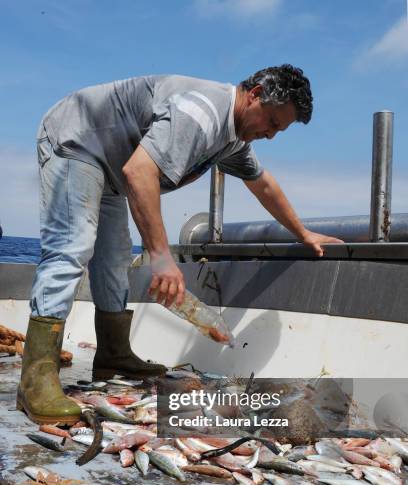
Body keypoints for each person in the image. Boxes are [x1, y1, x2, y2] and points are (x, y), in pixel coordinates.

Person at [18, 64, 343, 425]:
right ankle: (35, 381)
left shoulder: (234, 138)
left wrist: (303, 234)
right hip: (76, 140)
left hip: (110, 169)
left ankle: (112, 354)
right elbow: (140, 173)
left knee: (114, 259)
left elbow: (263, 183)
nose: (270, 135)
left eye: (278, 130)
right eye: (271, 122)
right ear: (254, 94)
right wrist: (160, 255)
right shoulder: (201, 114)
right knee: (73, 245)